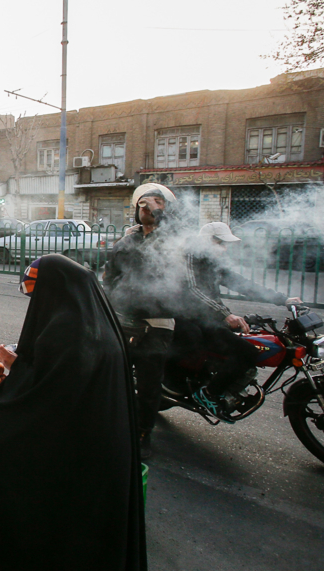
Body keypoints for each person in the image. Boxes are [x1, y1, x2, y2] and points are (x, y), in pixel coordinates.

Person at [0, 255, 147, 571]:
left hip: (82, 460)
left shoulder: (69, 327)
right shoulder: (91, 314)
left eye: (36, 294)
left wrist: (10, 377)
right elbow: (58, 366)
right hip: (105, 450)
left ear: (53, 290)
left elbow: (47, 396)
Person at [177, 222, 301, 419]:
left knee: (253, 340)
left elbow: (242, 284)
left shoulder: (213, 262)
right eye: (220, 242)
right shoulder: (190, 255)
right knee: (246, 351)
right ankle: (208, 394)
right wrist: (225, 314)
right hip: (190, 316)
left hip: (210, 316)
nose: (224, 248)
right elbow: (193, 290)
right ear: (206, 241)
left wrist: (282, 299)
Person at [103, 182, 181, 460]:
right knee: (117, 378)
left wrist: (161, 219)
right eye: (142, 202)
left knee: (148, 384)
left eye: (155, 202)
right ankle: (115, 426)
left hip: (156, 324)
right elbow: (109, 278)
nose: (147, 206)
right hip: (124, 321)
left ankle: (143, 433)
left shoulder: (175, 240)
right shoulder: (126, 241)